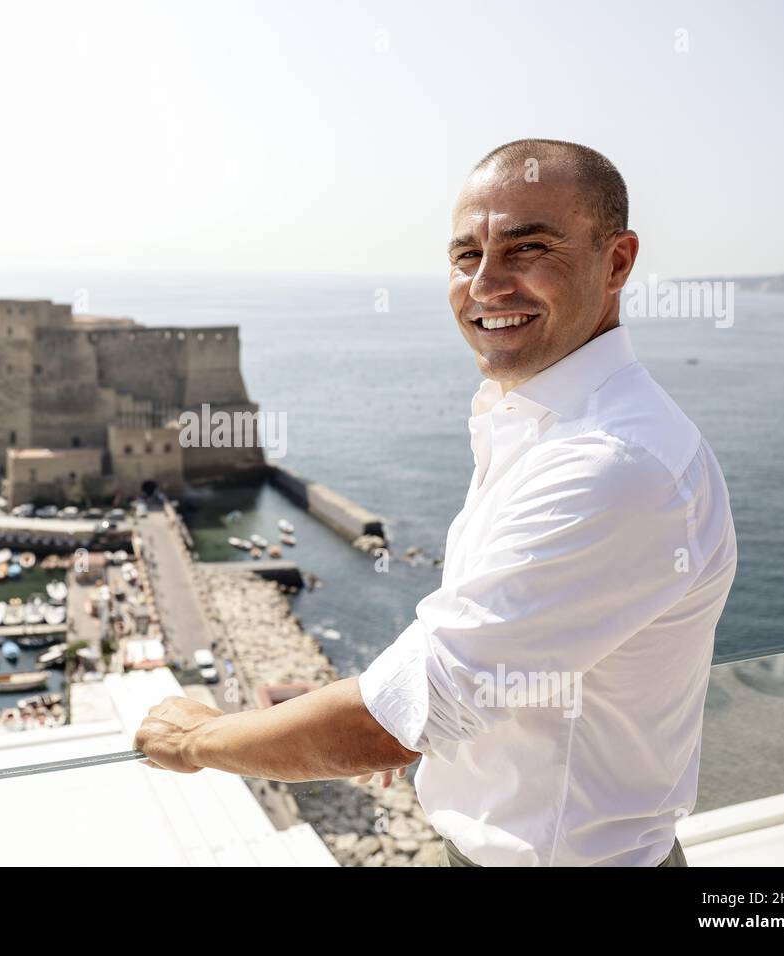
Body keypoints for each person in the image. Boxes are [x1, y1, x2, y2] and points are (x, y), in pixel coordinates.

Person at [133, 139, 738, 867]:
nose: (485, 285)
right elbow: (508, 652)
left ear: (616, 262)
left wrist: (198, 739)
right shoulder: (542, 426)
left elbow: (396, 724)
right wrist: (369, 695)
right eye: (464, 257)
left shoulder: (613, 465)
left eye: (529, 248)